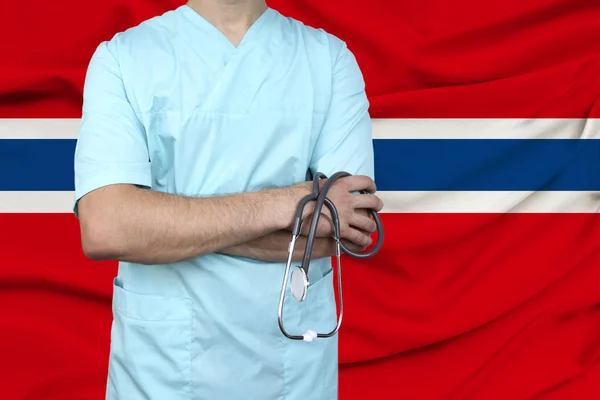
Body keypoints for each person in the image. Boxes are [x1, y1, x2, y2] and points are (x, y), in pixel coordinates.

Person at [74, 0, 383, 398]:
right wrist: (295, 200)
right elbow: (106, 228)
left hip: (291, 372)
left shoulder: (329, 61)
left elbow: (345, 230)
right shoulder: (123, 59)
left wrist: (164, 228)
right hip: (161, 373)